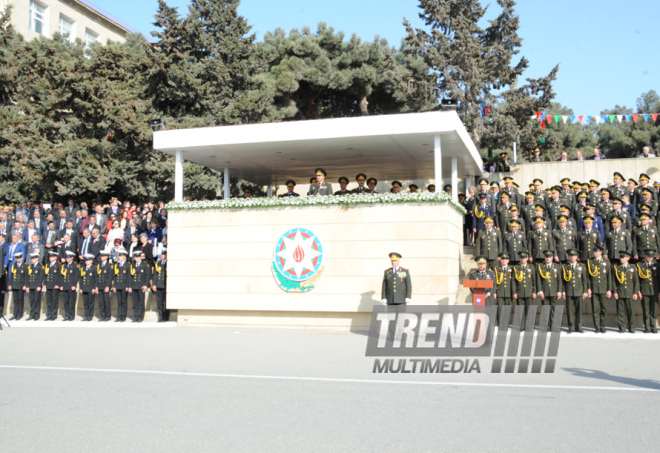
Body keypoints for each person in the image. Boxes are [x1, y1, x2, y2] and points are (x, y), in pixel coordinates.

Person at [534, 249, 563, 329]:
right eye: (546, 257)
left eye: (549, 257)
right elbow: (538, 280)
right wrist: (540, 291)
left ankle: (553, 325)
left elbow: (560, 280)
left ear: (552, 257)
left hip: (554, 291)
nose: (548, 258)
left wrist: (559, 291)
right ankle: (546, 325)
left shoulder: (557, 266)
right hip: (544, 291)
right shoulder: (540, 267)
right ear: (544, 257)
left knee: (553, 309)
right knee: (545, 309)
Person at [562, 249, 588, 333]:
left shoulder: (582, 266)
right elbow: (562, 281)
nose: (572, 257)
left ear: (577, 257)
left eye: (574, 256)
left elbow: (584, 280)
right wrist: (563, 291)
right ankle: (570, 327)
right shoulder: (565, 266)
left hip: (579, 291)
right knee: (569, 310)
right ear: (568, 257)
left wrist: (585, 291)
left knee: (579, 310)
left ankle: (578, 327)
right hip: (569, 291)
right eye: (571, 256)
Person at [612, 252, 639, 333]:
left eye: (623, 257)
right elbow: (614, 281)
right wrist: (615, 292)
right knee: (620, 311)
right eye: (620, 257)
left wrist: (635, 292)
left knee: (631, 311)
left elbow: (636, 281)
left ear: (628, 258)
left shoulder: (633, 267)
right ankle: (622, 327)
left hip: (630, 292)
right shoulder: (617, 267)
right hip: (620, 292)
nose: (621, 259)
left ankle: (632, 327)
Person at [636, 249, 659, 333]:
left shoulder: (657, 265)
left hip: (654, 290)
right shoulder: (639, 265)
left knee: (654, 309)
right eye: (649, 256)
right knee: (646, 309)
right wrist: (638, 291)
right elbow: (637, 280)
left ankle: (653, 326)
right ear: (645, 256)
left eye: (652, 257)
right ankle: (647, 326)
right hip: (644, 290)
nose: (650, 258)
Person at [512, 251, 536, 329]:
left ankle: (528, 326)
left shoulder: (531, 267)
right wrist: (514, 292)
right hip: (520, 292)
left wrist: (534, 291)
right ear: (519, 259)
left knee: (529, 310)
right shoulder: (516, 268)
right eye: (522, 258)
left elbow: (534, 281)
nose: (523, 259)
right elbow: (513, 282)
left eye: (524, 258)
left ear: (527, 258)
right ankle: (521, 325)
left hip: (529, 292)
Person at [493, 252, 514, 325]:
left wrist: (513, 292)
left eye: (506, 259)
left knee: (508, 308)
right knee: (500, 309)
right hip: (500, 292)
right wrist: (494, 292)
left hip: (508, 292)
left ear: (508, 260)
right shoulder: (496, 269)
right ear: (500, 260)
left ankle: (506, 323)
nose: (504, 260)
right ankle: (500, 323)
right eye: (503, 259)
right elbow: (494, 281)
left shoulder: (512, 269)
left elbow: (513, 282)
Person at [130, 251, 151, 322]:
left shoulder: (145, 265)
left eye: (138, 257)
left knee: (141, 302)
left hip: (141, 286)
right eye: (136, 257)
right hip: (134, 286)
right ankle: (136, 316)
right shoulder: (133, 265)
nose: (137, 258)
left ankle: (141, 317)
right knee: (135, 303)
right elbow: (130, 277)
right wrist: (130, 286)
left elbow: (147, 276)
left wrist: (146, 285)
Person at [24, 251, 45, 320]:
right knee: (32, 300)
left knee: (37, 300)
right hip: (31, 285)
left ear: (37, 259)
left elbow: (41, 277)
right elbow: (27, 277)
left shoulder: (40, 266)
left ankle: (36, 314)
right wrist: (27, 286)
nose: (32, 260)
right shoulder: (30, 267)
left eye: (33, 258)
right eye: (31, 259)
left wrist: (39, 286)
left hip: (36, 286)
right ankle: (32, 314)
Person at [112, 249, 131, 322]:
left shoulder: (127, 265)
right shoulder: (117, 265)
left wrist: (128, 286)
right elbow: (115, 277)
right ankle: (119, 316)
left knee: (124, 302)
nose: (119, 257)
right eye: (119, 256)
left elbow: (129, 276)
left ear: (124, 257)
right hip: (118, 285)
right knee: (119, 302)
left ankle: (123, 316)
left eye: (121, 256)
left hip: (124, 285)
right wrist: (114, 286)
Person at [60, 251, 79, 321]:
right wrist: (61, 285)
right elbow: (62, 276)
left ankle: (72, 315)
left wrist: (74, 285)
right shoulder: (64, 265)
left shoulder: (75, 266)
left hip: (71, 286)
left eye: (69, 258)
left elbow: (76, 276)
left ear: (72, 258)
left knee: (71, 302)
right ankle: (67, 315)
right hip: (65, 285)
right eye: (66, 258)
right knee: (65, 302)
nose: (67, 259)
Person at [42, 251, 62, 321]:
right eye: (50, 257)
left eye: (52, 257)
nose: (51, 258)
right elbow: (45, 275)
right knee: (49, 301)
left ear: (56, 257)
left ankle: (54, 314)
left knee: (54, 301)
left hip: (55, 285)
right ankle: (49, 314)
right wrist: (44, 283)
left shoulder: (58, 265)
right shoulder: (48, 265)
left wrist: (58, 284)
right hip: (49, 285)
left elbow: (60, 276)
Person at [79, 254, 98, 322]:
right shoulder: (83, 268)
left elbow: (95, 279)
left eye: (88, 260)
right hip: (84, 287)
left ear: (91, 261)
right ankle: (86, 315)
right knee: (85, 302)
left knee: (90, 302)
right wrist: (81, 288)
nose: (87, 262)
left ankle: (90, 315)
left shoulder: (94, 268)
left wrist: (94, 287)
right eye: (86, 260)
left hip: (90, 288)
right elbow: (81, 279)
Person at [152, 248, 169, 322]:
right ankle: (160, 316)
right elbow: (155, 275)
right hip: (159, 284)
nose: (163, 256)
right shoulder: (158, 263)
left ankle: (166, 316)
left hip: (165, 285)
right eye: (162, 254)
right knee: (159, 302)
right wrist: (154, 284)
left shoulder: (168, 263)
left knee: (165, 302)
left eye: (164, 254)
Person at [96, 251, 113, 321]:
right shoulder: (99, 265)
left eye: (103, 256)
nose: (102, 257)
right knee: (101, 302)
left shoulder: (109, 265)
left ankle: (107, 316)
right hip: (100, 285)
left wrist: (108, 286)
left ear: (107, 257)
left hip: (105, 286)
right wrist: (96, 286)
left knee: (106, 302)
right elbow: (97, 277)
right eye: (101, 256)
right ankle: (102, 315)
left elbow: (110, 277)